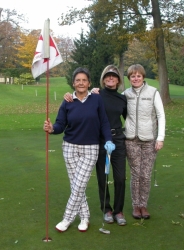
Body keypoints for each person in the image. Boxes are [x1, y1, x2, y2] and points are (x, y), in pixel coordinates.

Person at [43, 67, 116, 233]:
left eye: (84, 80)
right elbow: (60, 125)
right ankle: (84, 217)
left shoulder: (96, 99)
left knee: (78, 185)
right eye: (78, 80)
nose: (81, 83)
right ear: (73, 83)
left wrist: (109, 140)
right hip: (69, 147)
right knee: (77, 185)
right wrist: (52, 128)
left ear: (89, 83)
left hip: (90, 148)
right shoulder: (67, 101)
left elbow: (104, 122)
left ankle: (67, 218)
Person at [64, 65, 128, 226]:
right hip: (101, 141)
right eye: (107, 76)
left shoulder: (122, 98)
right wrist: (68, 96)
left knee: (120, 178)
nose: (110, 78)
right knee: (103, 177)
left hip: (118, 141)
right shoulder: (96, 95)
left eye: (114, 76)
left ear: (118, 79)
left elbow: (128, 119)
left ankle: (118, 211)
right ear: (103, 79)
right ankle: (106, 209)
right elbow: (81, 101)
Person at [123, 64, 165, 220]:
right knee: (136, 174)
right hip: (131, 140)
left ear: (143, 77)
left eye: (138, 76)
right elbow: (112, 103)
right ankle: (136, 206)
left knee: (145, 175)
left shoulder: (153, 92)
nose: (135, 78)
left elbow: (161, 115)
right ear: (129, 78)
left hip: (149, 140)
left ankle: (143, 205)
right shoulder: (125, 94)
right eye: (132, 76)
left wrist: (160, 138)